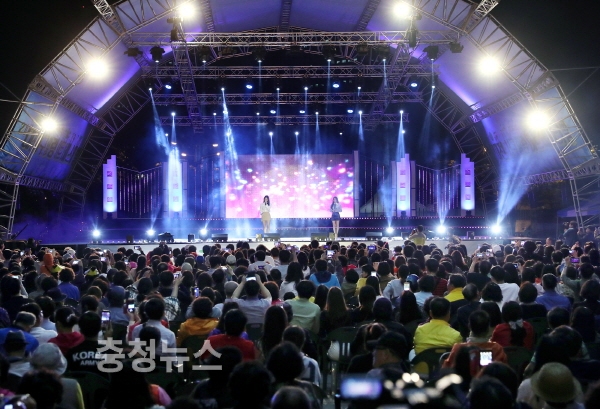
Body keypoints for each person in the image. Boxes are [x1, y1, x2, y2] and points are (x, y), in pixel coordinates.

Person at [442, 310, 507, 369]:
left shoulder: (458, 348)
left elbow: (446, 368)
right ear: (488, 328)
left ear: (469, 326)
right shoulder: (497, 348)